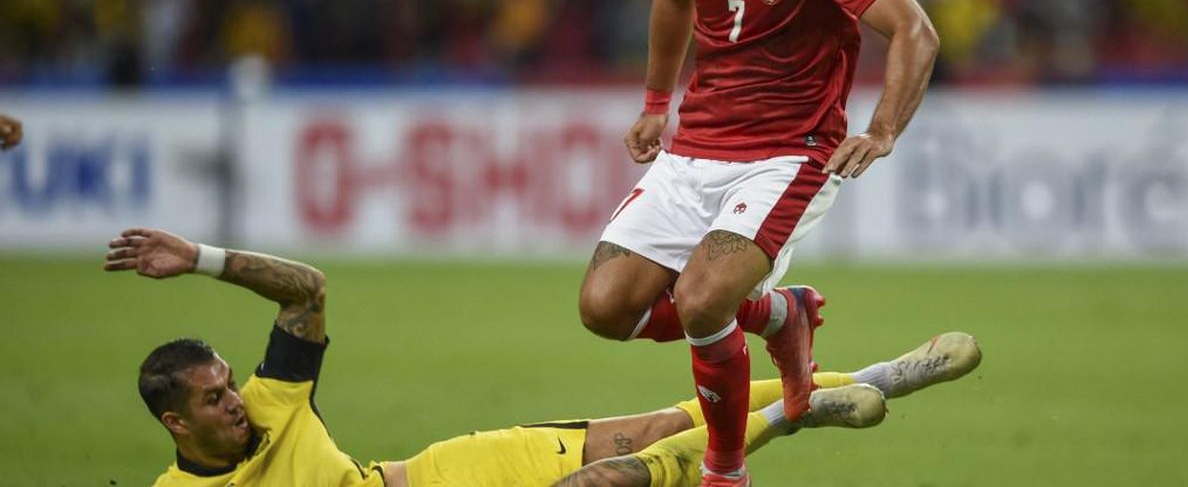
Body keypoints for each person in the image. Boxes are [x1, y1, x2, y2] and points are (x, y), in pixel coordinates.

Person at [577, 0, 941, 485]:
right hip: (698, 145)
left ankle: (725, 469)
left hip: (788, 153)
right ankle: (779, 313)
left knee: (701, 299)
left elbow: (915, 31)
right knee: (604, 309)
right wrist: (657, 101)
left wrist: (883, 129)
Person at [108, 227, 980, 487]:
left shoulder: (271, 403)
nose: (235, 401)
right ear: (174, 424)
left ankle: (872, 378)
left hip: (445, 473)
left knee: (658, 427)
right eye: (213, 400)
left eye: (228, 384)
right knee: (607, 484)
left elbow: (306, 290)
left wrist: (205, 260)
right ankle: (793, 413)